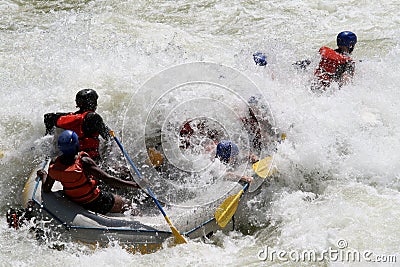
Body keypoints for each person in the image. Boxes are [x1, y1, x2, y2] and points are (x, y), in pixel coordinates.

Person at [37, 130, 140, 215]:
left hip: (74, 199)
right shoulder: (83, 161)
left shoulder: (55, 163)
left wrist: (44, 175)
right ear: (77, 145)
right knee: (127, 204)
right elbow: (108, 179)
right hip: (96, 201)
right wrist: (135, 185)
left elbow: (46, 188)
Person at [44, 89, 111, 161]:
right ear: (92, 103)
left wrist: (49, 135)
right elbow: (108, 137)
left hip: (71, 159)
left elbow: (48, 117)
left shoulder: (69, 117)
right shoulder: (93, 117)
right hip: (90, 160)